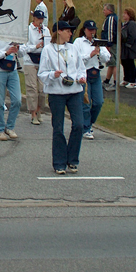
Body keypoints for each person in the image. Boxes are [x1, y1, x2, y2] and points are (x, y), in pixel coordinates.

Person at [38, 21, 86, 175]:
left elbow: (81, 68)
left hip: (74, 91)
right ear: (59, 32)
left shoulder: (73, 48)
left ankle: (72, 159)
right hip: (57, 93)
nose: (70, 34)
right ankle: (59, 162)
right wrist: (53, 75)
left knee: (78, 124)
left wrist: (81, 77)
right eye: (67, 31)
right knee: (58, 128)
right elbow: (42, 74)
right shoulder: (48, 50)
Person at [74, 20, 111, 140]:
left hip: (95, 74)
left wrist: (99, 51)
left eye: (94, 30)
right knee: (86, 102)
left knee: (99, 102)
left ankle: (89, 122)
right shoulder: (79, 42)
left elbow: (107, 59)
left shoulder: (98, 42)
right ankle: (86, 128)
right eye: (90, 30)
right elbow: (75, 58)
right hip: (84, 74)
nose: (92, 32)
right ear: (84, 30)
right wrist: (90, 55)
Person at [23, 10, 51, 125]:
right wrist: (36, 46)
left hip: (42, 60)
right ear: (34, 18)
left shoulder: (46, 30)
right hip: (30, 60)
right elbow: (24, 47)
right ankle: (33, 112)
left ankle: (39, 109)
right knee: (32, 88)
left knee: (42, 89)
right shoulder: (28, 30)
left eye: (42, 19)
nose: (40, 21)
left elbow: (49, 45)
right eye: (38, 18)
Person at [120, 7, 136, 89]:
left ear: (130, 15)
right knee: (124, 63)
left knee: (130, 63)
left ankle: (133, 81)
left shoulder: (132, 24)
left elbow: (132, 35)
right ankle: (126, 78)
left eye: (125, 13)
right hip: (124, 47)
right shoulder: (125, 24)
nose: (123, 15)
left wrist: (128, 43)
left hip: (129, 47)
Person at [101, 3, 118, 91]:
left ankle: (116, 82)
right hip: (111, 44)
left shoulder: (111, 18)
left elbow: (110, 32)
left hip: (112, 44)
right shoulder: (109, 18)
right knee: (111, 62)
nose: (103, 12)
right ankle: (107, 81)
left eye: (104, 10)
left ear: (109, 10)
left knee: (114, 62)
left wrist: (108, 44)